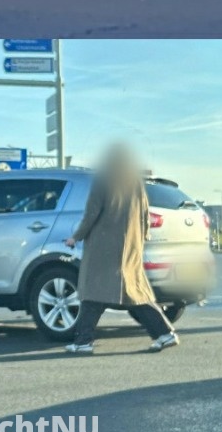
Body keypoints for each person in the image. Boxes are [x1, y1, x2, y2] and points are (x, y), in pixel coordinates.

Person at [63, 144, 178, 354]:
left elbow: (92, 213)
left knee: (94, 293)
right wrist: (142, 238)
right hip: (129, 247)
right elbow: (144, 213)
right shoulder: (135, 182)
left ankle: (82, 342)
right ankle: (164, 334)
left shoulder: (103, 178)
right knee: (133, 294)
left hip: (104, 246)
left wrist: (75, 237)